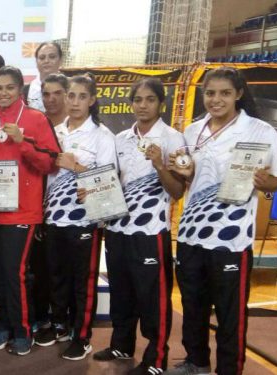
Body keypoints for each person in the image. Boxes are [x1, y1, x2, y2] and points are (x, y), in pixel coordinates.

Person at [165, 67, 277, 375]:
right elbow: (187, 177)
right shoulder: (192, 130)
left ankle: (229, 369)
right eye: (211, 93)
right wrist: (179, 169)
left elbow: (275, 182)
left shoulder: (259, 131)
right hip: (191, 234)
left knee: (230, 312)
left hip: (230, 238)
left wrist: (263, 180)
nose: (216, 100)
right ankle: (197, 362)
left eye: (225, 93)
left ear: (239, 94)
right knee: (193, 306)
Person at [90, 78, 185, 375]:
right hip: (118, 229)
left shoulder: (173, 139)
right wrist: (95, 192)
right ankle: (122, 344)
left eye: (150, 100)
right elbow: (113, 180)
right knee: (122, 292)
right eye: (138, 100)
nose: (142, 105)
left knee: (152, 297)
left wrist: (159, 164)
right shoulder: (120, 139)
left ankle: (156, 358)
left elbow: (178, 190)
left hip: (150, 232)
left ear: (161, 104)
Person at [0, 66, 59, 356]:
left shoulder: (36, 120)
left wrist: (24, 143)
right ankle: (2, 326)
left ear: (20, 90)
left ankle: (23, 331)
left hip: (22, 212)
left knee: (15, 272)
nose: (4, 93)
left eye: (10, 87)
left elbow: (50, 163)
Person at [39, 74, 116, 361]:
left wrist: (78, 166)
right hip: (54, 218)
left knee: (82, 281)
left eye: (82, 96)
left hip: (85, 220)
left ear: (92, 100)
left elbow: (110, 181)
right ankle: (58, 324)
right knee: (56, 276)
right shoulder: (55, 132)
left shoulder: (102, 136)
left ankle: (82, 336)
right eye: (71, 95)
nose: (74, 102)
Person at [29, 73, 69, 333]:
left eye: (57, 93)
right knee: (40, 268)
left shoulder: (77, 127)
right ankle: (42, 317)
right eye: (46, 94)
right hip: (36, 207)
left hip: (70, 212)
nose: (51, 98)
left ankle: (64, 320)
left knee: (63, 270)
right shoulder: (36, 123)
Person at [24, 42, 64, 112]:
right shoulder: (25, 92)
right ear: (36, 62)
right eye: (42, 58)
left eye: (52, 57)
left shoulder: (70, 87)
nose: (46, 61)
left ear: (60, 60)